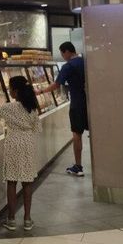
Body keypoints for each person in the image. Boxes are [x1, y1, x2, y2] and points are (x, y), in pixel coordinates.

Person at [0, 76, 42, 231]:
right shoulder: (32, 107)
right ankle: (27, 219)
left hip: (13, 142)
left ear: (15, 91)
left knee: (11, 181)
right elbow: (37, 128)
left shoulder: (9, 107)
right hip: (28, 143)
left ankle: (11, 219)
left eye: (10, 89)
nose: (9, 91)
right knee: (27, 182)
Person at [46, 42, 87, 177]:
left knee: (77, 134)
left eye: (62, 54)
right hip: (89, 102)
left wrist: (40, 91)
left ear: (67, 51)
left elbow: (57, 85)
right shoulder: (84, 61)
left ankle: (78, 166)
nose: (63, 57)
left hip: (77, 103)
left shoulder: (68, 66)